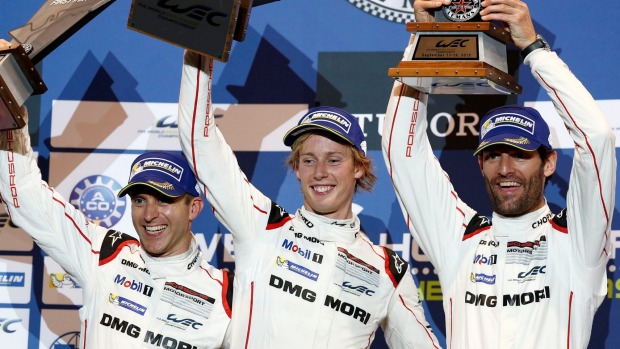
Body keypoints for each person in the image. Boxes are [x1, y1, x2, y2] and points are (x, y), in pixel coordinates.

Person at [381, 0, 616, 348]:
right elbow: (401, 148)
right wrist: (426, 41)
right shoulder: (458, 237)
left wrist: (534, 49)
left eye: (520, 155)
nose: (505, 169)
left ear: (548, 162)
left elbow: (597, 137)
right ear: (480, 164)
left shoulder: (577, 239)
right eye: (492, 155)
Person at [177, 51, 441, 348]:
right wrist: (199, 51)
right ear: (297, 169)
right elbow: (200, 142)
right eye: (309, 160)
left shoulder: (386, 270)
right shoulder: (262, 226)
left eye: (334, 160)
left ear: (357, 167)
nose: (320, 173)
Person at [0, 39, 232, 349]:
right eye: (139, 200)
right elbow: (26, 197)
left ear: (194, 208)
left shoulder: (226, 298)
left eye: (164, 199)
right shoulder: (106, 254)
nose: (149, 214)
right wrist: (6, 104)